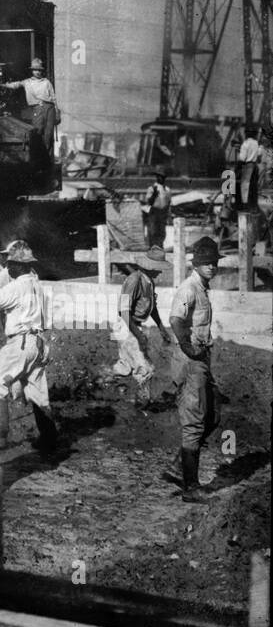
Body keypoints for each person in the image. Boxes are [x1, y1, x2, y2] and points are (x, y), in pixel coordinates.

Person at [0, 240, 60, 456]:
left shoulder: (18, 285)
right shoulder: (37, 285)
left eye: (10, 263)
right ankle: (50, 440)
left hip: (21, 341)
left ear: (19, 265)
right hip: (39, 343)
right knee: (38, 395)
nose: (7, 266)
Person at [165, 236, 221, 504]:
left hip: (201, 358)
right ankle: (190, 487)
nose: (210, 266)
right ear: (196, 264)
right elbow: (175, 320)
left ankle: (179, 466)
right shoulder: (189, 288)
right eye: (205, 262)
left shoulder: (202, 287)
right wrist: (189, 349)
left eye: (213, 262)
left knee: (213, 415)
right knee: (195, 420)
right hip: (190, 361)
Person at [111, 258, 165, 404]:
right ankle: (143, 404)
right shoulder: (133, 281)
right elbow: (123, 311)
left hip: (135, 325)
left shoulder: (149, 282)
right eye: (158, 267)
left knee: (126, 366)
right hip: (127, 326)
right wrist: (139, 335)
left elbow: (152, 307)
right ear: (150, 267)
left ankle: (102, 381)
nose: (160, 271)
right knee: (145, 368)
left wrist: (161, 328)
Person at [0, 58, 58, 158]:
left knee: (48, 134)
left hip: (50, 108)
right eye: (36, 70)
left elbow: (53, 97)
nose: (38, 72)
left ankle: (46, 161)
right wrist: (2, 85)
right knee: (37, 133)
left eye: (40, 70)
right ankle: (37, 159)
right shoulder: (27, 82)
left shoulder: (46, 82)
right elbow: (15, 85)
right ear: (32, 71)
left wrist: (57, 112)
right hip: (38, 108)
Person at [141, 170, 171, 252]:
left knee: (161, 231)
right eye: (159, 177)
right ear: (157, 178)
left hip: (163, 212)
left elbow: (168, 202)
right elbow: (149, 202)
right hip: (154, 211)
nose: (161, 178)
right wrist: (154, 195)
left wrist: (168, 214)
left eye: (162, 177)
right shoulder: (152, 188)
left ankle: (160, 247)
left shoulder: (167, 189)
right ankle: (152, 248)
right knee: (153, 230)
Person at [236, 128, 261, 209]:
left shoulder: (245, 144)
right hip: (255, 166)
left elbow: (242, 158)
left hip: (248, 166)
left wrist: (239, 153)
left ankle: (244, 205)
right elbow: (259, 153)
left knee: (244, 186)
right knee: (254, 187)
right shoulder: (256, 143)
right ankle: (254, 205)